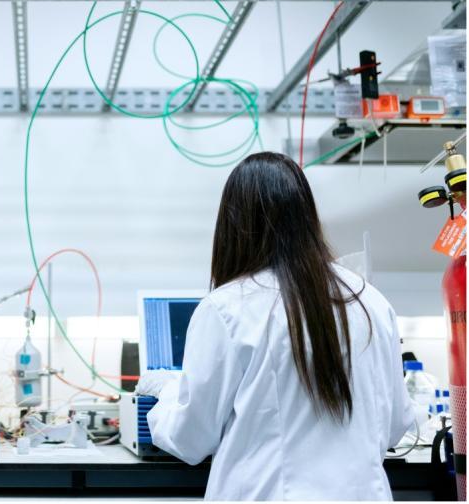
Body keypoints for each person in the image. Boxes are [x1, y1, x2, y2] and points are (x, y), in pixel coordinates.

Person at [136, 152, 414, 500]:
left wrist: (166, 393)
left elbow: (191, 438)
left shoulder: (227, 308)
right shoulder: (368, 300)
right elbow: (395, 427)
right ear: (307, 216)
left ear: (233, 226)